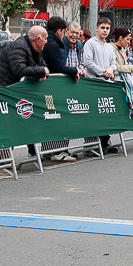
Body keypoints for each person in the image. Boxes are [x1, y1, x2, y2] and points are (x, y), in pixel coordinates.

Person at [0, 26, 50, 157]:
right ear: (38, 39)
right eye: (45, 38)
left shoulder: (36, 49)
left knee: (27, 120)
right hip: (5, 90)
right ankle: (4, 156)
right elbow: (19, 69)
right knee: (11, 124)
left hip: (18, 92)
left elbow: (43, 65)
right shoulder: (18, 47)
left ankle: (32, 152)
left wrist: (43, 71)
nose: (46, 41)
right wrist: (41, 71)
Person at [41, 16, 83, 162]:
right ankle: (53, 151)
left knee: (66, 118)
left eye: (77, 33)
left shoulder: (79, 46)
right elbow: (59, 67)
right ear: (64, 31)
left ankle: (60, 149)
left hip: (70, 86)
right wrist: (74, 71)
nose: (74, 35)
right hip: (56, 86)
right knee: (55, 117)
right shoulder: (57, 44)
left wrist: (78, 70)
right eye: (72, 32)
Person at [82, 18, 121, 154]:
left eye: (107, 28)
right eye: (102, 27)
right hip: (93, 84)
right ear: (97, 28)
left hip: (107, 85)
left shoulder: (109, 47)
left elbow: (114, 63)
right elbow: (88, 62)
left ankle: (105, 143)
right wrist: (103, 72)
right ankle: (89, 146)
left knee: (106, 115)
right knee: (93, 116)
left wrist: (111, 69)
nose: (105, 30)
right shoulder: (90, 43)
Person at [112, 27, 133, 121]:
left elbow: (125, 65)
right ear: (120, 38)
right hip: (116, 81)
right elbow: (116, 67)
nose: (128, 42)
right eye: (127, 39)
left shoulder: (122, 50)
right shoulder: (111, 48)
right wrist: (131, 67)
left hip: (125, 80)